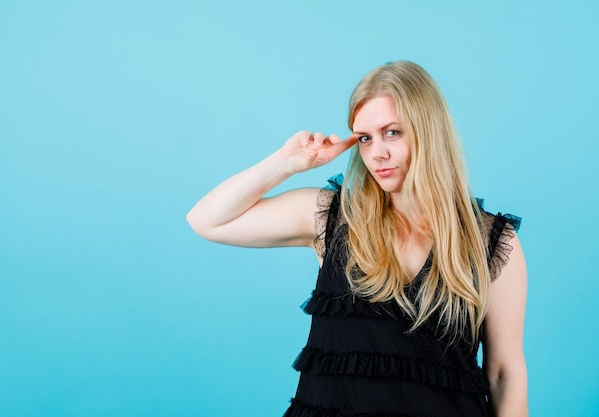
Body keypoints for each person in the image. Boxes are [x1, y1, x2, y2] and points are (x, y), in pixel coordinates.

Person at [186, 61, 528, 417]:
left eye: (392, 132)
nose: (376, 153)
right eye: (365, 138)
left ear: (429, 130)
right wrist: (286, 163)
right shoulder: (332, 218)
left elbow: (506, 374)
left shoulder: (489, 240)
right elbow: (207, 220)